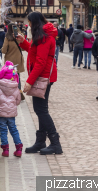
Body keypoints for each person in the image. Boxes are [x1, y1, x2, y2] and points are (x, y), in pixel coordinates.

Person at [17, 11, 62, 155]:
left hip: (43, 78)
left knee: (41, 110)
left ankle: (55, 143)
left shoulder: (44, 37)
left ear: (34, 22)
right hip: (43, 77)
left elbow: (41, 62)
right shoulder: (42, 35)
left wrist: (29, 82)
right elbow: (33, 50)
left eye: (29, 22)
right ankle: (41, 141)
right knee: (41, 109)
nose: (28, 24)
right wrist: (23, 41)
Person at [0, 61, 23, 157]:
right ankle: (18, 148)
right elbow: (18, 101)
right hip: (11, 113)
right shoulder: (15, 87)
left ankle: (5, 150)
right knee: (13, 129)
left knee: (3, 130)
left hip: (0, 113)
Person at [2, 24, 25, 90]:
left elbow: (4, 51)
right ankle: (18, 92)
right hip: (18, 60)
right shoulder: (20, 36)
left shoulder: (7, 38)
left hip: (9, 61)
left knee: (9, 76)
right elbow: (23, 48)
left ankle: (10, 92)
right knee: (17, 76)